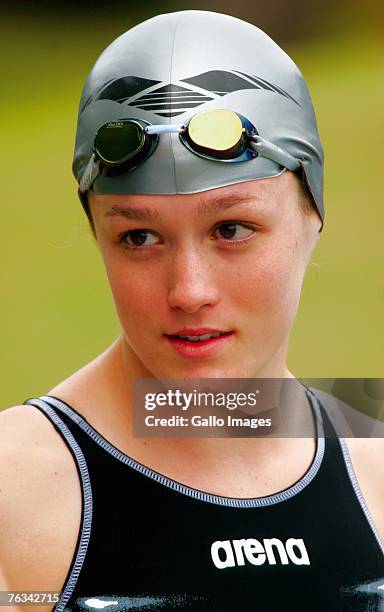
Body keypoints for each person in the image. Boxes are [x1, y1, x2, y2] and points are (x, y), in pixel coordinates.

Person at [0, 10, 383, 612]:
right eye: (139, 238)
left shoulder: (377, 471)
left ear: (314, 216)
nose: (188, 291)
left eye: (232, 228)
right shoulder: (13, 495)